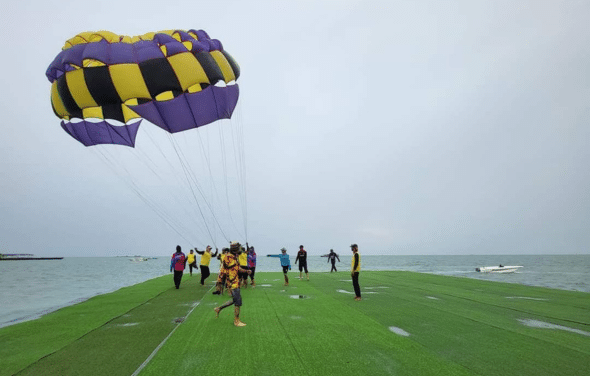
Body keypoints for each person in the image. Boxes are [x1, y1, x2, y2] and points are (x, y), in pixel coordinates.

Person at [214, 241, 251, 326]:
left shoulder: (234, 257)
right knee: (238, 301)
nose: (240, 249)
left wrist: (246, 271)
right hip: (232, 282)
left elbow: (237, 268)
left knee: (235, 300)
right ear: (235, 249)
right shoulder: (228, 257)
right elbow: (222, 270)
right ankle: (236, 321)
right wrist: (219, 282)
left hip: (235, 282)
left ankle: (219, 308)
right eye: (239, 248)